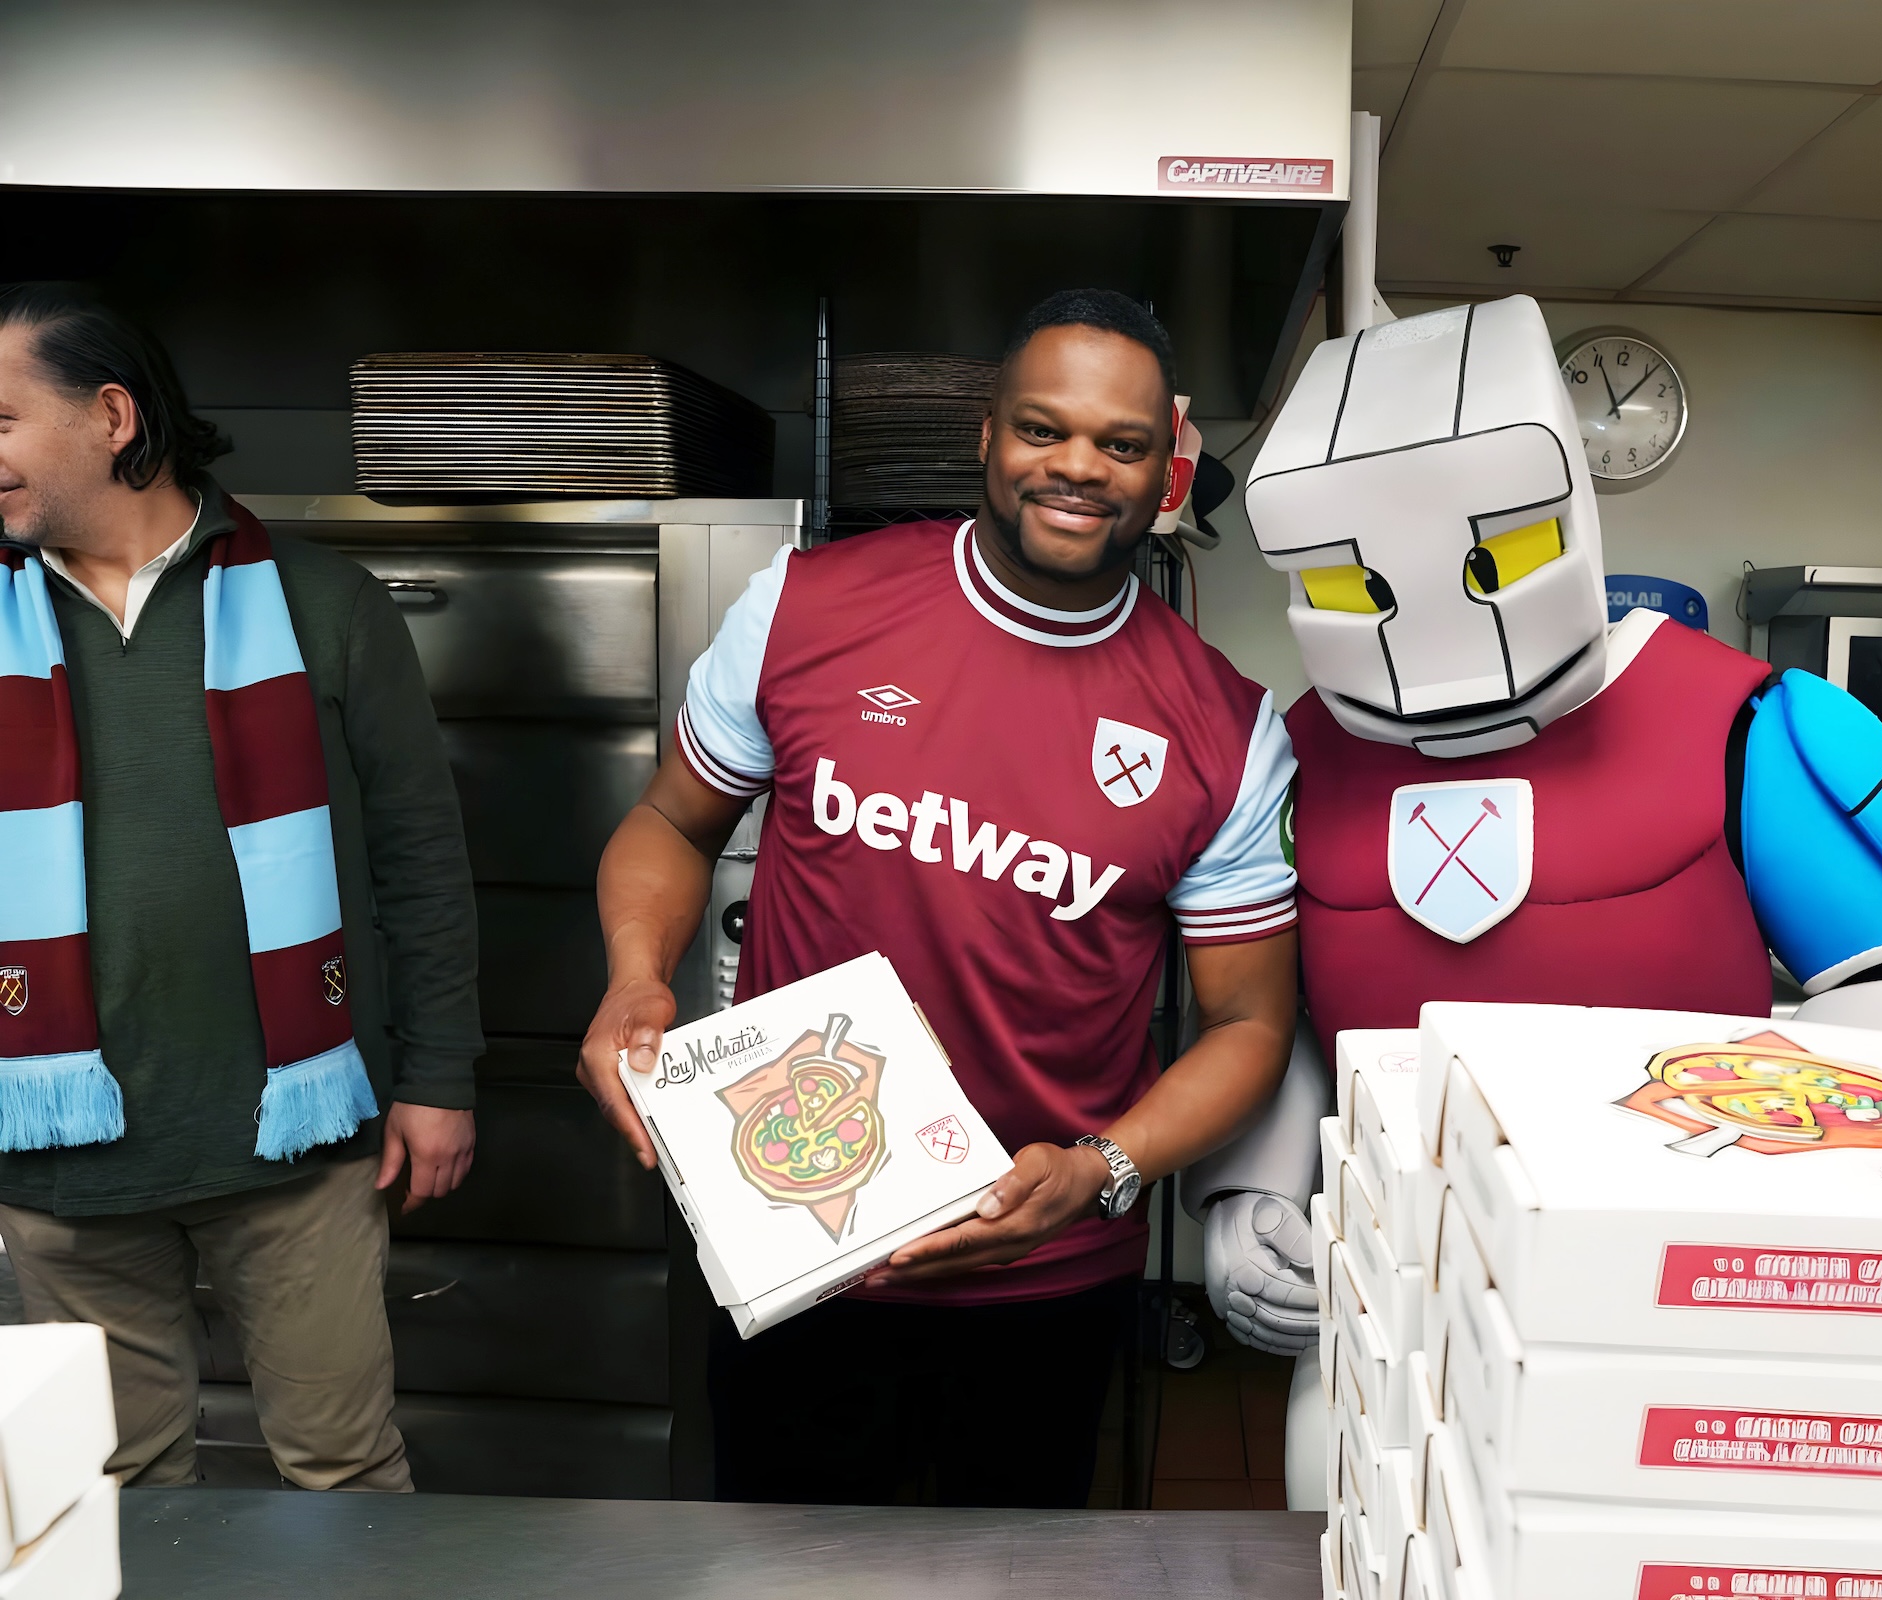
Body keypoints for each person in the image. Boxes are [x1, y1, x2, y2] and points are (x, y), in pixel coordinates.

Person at [578, 288, 1301, 1509]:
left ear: (1164, 470)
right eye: (1042, 428)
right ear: (986, 435)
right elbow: (669, 822)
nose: (1078, 467)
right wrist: (637, 973)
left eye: (1121, 445)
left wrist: (1105, 1167)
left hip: (1048, 1282)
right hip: (794, 1247)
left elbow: (1250, 1027)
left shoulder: (1226, 729)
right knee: (781, 1581)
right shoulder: (806, 605)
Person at [1201, 293, 1882, 1372]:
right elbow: (1277, 1025)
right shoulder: (1297, 754)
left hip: (1682, 1273)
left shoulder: (1746, 728)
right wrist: (1251, 1193)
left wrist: (1868, 1061)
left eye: (1493, 563)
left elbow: (1878, 1013)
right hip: (1399, 1275)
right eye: (1348, 584)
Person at [0, 285, 481, 1491]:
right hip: (60, 1169)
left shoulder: (328, 603)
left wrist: (437, 1077)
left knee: (343, 1475)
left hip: (296, 1147)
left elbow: (421, 861)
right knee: (91, 1508)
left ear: (111, 416)